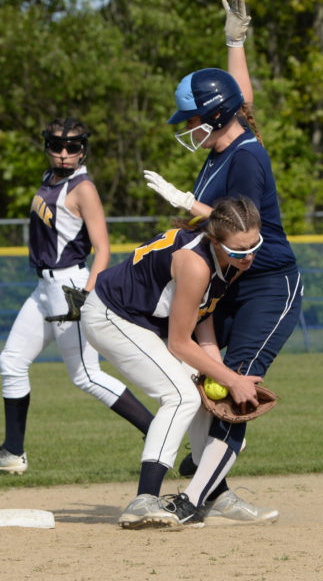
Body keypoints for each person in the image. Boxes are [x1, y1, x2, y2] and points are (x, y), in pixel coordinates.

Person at [144, 0, 303, 525]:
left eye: (193, 118)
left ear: (215, 117)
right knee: (205, 377)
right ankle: (216, 485)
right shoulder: (227, 144)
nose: (187, 126)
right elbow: (243, 100)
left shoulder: (248, 159)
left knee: (236, 385)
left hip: (268, 283)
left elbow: (241, 229)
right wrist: (234, 42)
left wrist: (190, 209)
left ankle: (193, 503)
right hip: (232, 282)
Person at [81, 195, 265, 528]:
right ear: (216, 240)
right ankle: (143, 500)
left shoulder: (228, 261)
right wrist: (231, 379)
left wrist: (221, 374)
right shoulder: (195, 262)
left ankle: (214, 496)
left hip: (142, 322)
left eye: (255, 245)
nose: (249, 256)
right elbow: (180, 343)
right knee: (181, 395)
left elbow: (202, 316)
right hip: (111, 316)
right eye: (239, 251)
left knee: (200, 397)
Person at [0, 116, 154, 475]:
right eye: (56, 146)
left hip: (71, 285)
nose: (64, 153)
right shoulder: (49, 179)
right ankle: (12, 452)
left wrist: (86, 296)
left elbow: (103, 249)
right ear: (47, 147)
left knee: (86, 375)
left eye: (72, 147)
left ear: (83, 149)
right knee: (10, 363)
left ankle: (157, 430)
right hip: (44, 288)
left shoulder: (82, 188)